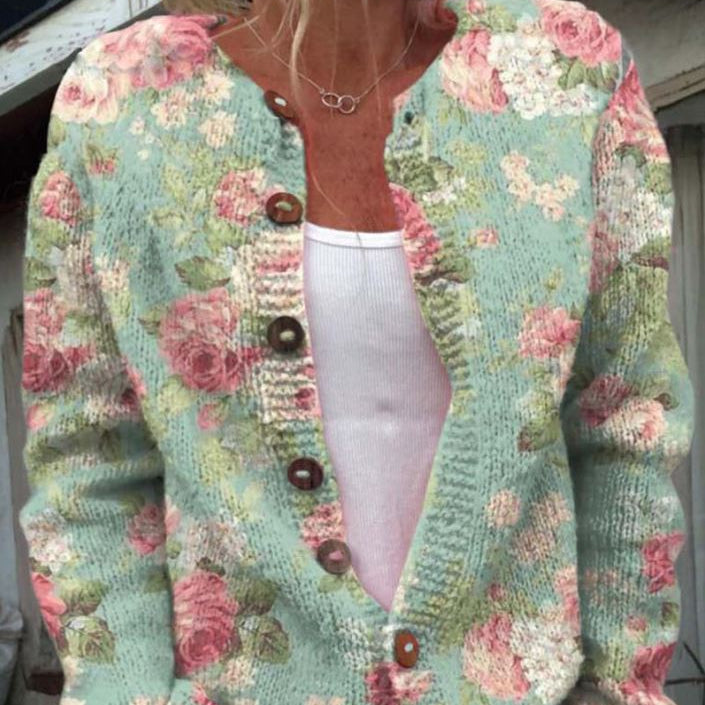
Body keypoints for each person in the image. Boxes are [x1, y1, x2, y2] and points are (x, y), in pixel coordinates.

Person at [17, 0, 695, 704]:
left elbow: (623, 415)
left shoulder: (566, 71)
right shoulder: (123, 96)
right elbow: (90, 456)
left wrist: (619, 685)